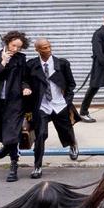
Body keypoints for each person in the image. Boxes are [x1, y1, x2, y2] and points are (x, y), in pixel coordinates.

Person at [26, 38, 79, 180]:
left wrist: (67, 101)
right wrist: (26, 88)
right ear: (37, 50)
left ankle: (72, 144)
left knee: (66, 130)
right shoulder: (31, 65)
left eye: (49, 46)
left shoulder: (62, 64)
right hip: (42, 105)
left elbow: (71, 84)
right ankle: (37, 166)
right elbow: (25, 81)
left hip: (59, 104)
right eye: (44, 48)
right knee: (40, 135)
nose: (48, 49)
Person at [0, 30, 32, 182]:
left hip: (15, 101)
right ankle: (6, 146)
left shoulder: (20, 59)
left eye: (19, 47)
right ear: (7, 42)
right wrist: (3, 62)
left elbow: (25, 78)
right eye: (13, 46)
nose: (16, 49)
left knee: (12, 133)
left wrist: (25, 87)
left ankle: (13, 165)